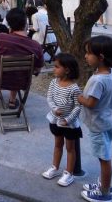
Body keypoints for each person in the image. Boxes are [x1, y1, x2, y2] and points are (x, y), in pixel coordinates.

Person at [78, 36, 112, 202]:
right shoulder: (106, 74)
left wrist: (79, 97)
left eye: (88, 53)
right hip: (106, 122)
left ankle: (104, 193)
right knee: (104, 156)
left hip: (99, 125)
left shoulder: (98, 80)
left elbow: (91, 103)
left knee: (104, 159)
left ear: (100, 57)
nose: (85, 56)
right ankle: (104, 185)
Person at [0, 8, 44, 108]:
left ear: (9, 24)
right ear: (26, 23)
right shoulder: (36, 46)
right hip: (22, 82)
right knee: (17, 71)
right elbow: (37, 70)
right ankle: (12, 100)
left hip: (0, 81)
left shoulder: (1, 38)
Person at [42, 52, 82, 187]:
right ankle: (55, 167)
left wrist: (68, 120)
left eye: (57, 66)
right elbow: (49, 98)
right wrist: (54, 109)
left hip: (69, 124)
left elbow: (78, 106)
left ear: (67, 70)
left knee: (70, 148)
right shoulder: (54, 82)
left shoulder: (74, 88)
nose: (54, 69)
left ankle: (69, 173)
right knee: (58, 144)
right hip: (55, 120)